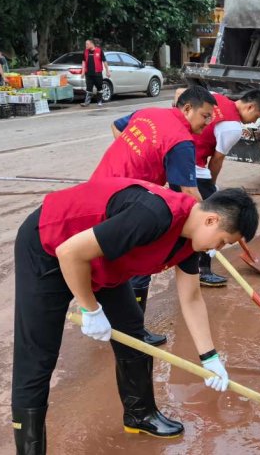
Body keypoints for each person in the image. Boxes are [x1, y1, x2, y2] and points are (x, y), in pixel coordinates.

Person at [11, 178, 258, 454]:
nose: (218, 249)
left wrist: (210, 358)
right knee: (37, 356)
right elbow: (69, 252)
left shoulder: (189, 241)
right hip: (49, 247)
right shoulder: (153, 214)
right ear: (211, 220)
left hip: (102, 259)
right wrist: (90, 309)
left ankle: (140, 415)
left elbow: (191, 298)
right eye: (223, 242)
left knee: (132, 334)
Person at [92, 86, 217, 345]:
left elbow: (117, 126)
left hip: (100, 187)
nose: (208, 123)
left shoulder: (149, 112)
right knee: (139, 260)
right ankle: (132, 329)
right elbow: (189, 193)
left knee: (106, 252)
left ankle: (106, 313)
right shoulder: (182, 142)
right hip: (125, 203)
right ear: (187, 109)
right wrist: (213, 226)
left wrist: (138, 161)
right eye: (205, 116)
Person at [111, 88, 260, 287]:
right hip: (184, 175)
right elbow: (216, 161)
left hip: (124, 182)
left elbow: (179, 92)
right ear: (251, 106)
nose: (207, 123)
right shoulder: (226, 129)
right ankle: (201, 269)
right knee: (203, 221)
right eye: (257, 115)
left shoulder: (211, 99)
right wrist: (209, 191)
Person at [81, 38, 111, 107]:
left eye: (87, 44)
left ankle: (99, 101)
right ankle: (87, 102)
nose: (86, 45)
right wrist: (83, 71)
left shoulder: (99, 51)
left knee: (99, 88)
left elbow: (104, 61)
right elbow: (83, 61)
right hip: (88, 73)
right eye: (86, 44)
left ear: (92, 44)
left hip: (97, 73)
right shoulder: (85, 52)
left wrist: (107, 71)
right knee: (88, 88)